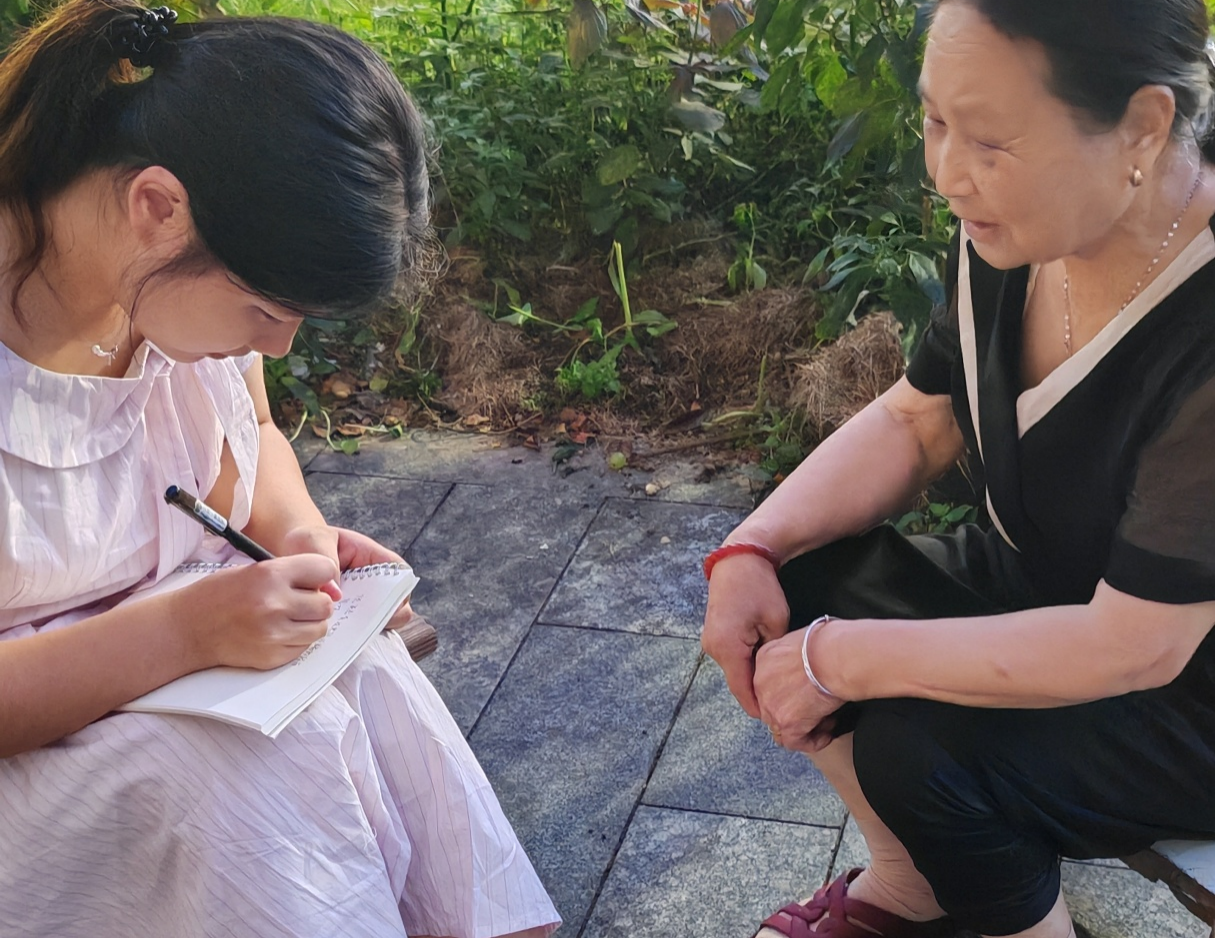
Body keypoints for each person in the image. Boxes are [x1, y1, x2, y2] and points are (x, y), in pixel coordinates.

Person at [0, 3, 560, 937]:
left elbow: (251, 430)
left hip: (169, 674)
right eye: (268, 309)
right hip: (34, 756)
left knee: (368, 681)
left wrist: (299, 538)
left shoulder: (166, 271)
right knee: (263, 766)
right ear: (157, 207)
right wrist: (181, 632)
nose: (279, 346)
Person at [701, 1, 1214, 936]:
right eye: (935, 121)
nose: (945, 172)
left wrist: (842, 658)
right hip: (1047, 585)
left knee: (921, 750)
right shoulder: (1019, 227)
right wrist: (752, 547)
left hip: (1184, 685)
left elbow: (1136, 645)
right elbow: (919, 417)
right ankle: (911, 892)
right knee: (794, 590)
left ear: (1143, 125)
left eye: (989, 140)